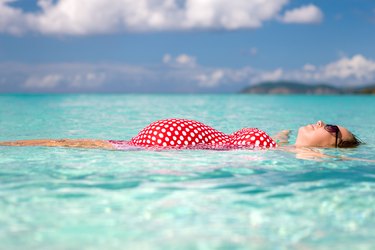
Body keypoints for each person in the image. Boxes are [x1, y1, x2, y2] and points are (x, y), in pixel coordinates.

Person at [0, 118, 361, 152]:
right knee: (67, 143)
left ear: (331, 148)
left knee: (67, 144)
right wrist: (281, 135)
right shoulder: (278, 148)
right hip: (155, 141)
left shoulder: (280, 156)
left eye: (331, 128)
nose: (321, 122)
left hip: (152, 147)